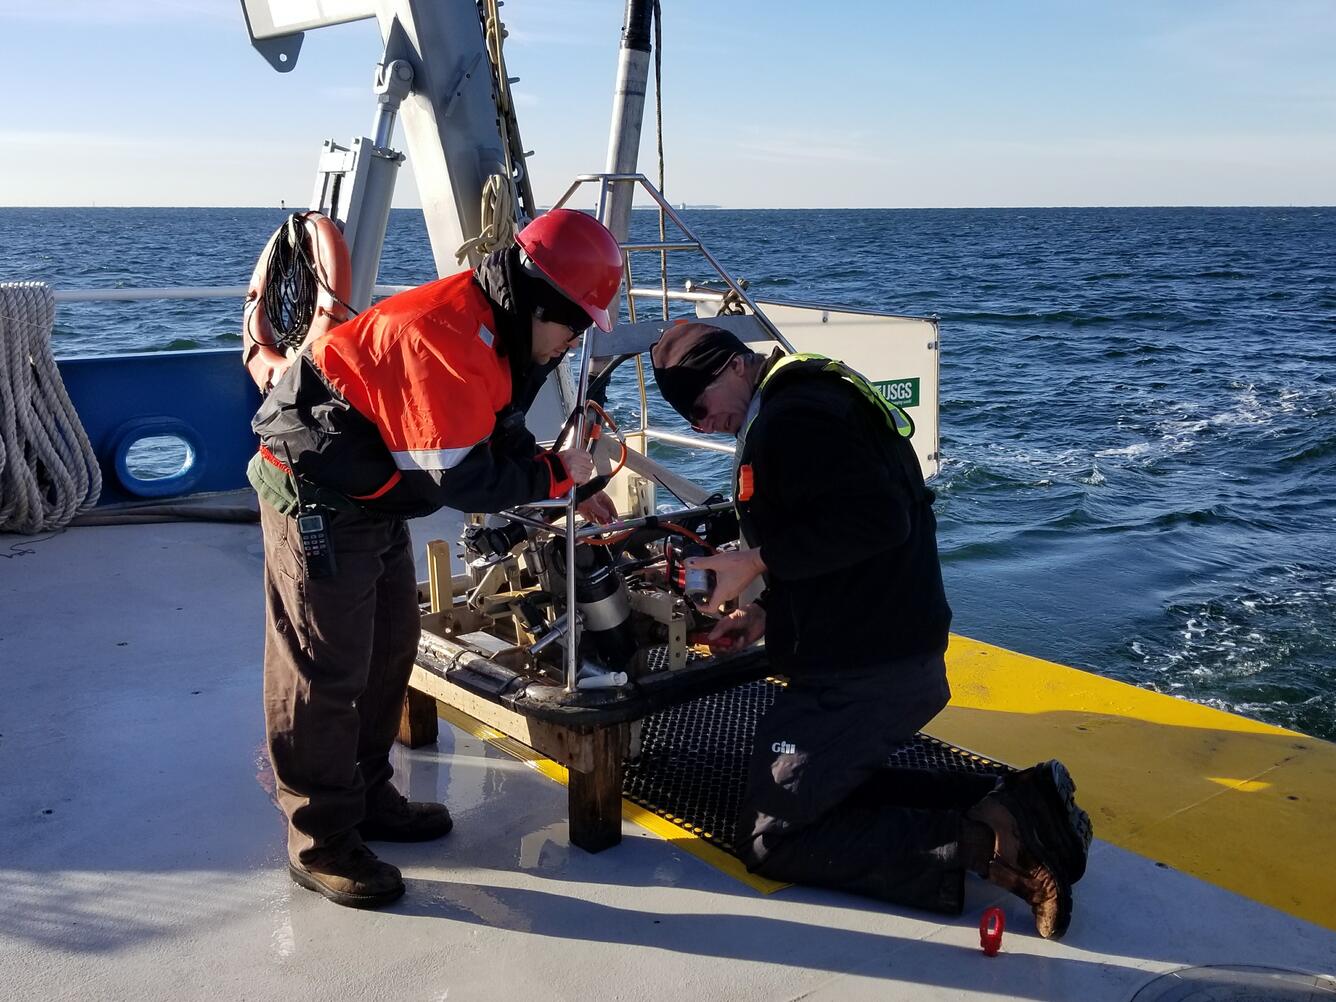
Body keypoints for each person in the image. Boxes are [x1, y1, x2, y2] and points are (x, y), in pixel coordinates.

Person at [650, 322, 1091, 939]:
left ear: (730, 368)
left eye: (697, 408)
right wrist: (766, 614)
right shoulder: (809, 394)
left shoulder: (793, 418)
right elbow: (839, 530)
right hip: (885, 645)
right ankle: (1017, 798)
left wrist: (754, 561)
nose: (700, 426)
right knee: (826, 787)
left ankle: (995, 845)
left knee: (772, 837)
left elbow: (877, 521)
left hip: (865, 669)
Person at [249, 209, 623, 908]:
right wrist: (557, 477)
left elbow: (498, 431)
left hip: (375, 492)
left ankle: (365, 796)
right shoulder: (447, 335)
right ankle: (319, 838)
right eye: (574, 326)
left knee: (392, 646)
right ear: (542, 302)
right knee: (324, 669)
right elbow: (465, 479)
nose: (574, 344)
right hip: (318, 492)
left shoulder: (513, 336)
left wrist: (564, 486)